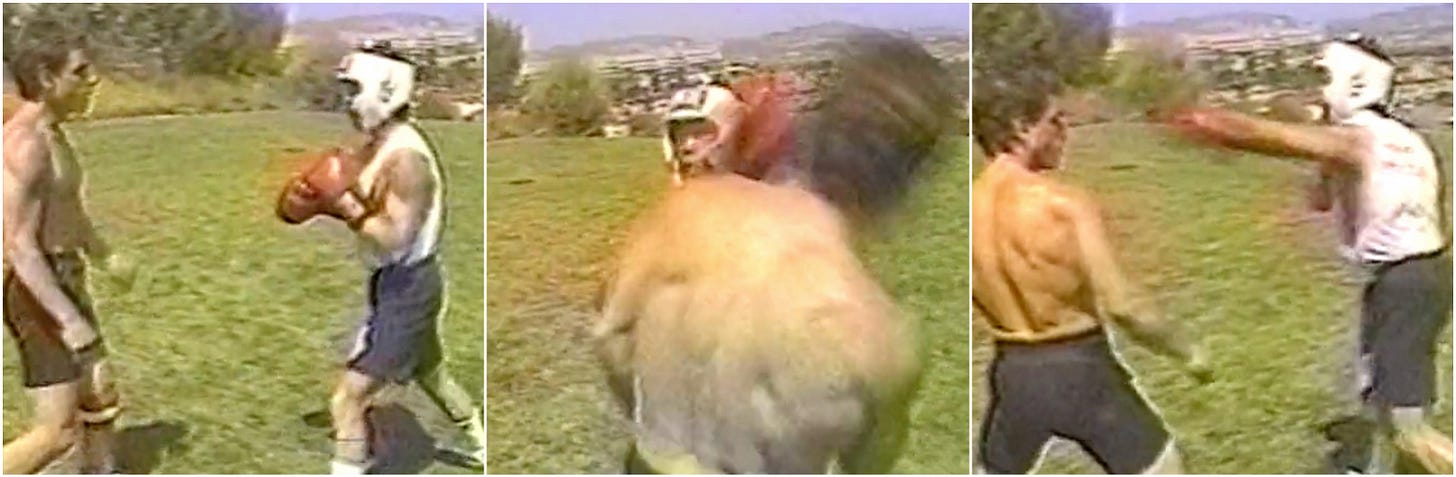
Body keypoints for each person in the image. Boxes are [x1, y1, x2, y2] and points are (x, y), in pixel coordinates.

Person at [1165, 32, 1452, 474]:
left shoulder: (1358, 140)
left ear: (1354, 83)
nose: (1319, 91)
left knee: (1407, 427)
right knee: (1384, 400)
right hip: (1422, 277)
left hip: (1403, 285)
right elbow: (1322, 199)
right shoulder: (1407, 140)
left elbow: (1259, 134)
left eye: (1324, 79)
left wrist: (1202, 120)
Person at [972, 4, 1211, 474]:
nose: (1066, 132)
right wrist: (1188, 352)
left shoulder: (971, 208)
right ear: (1021, 127)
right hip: (1081, 370)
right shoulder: (1064, 204)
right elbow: (1125, 305)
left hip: (1013, 374)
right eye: (1055, 120)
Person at [277, 41, 485, 474]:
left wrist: (343, 204)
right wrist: (311, 200)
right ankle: (482, 444)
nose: (348, 103)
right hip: (393, 284)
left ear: (385, 89)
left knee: (348, 398)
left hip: (409, 287)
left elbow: (394, 237)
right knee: (432, 374)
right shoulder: (377, 145)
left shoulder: (407, 161)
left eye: (354, 90)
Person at [3, 40, 129, 474]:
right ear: (45, 78)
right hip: (35, 287)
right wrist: (69, 319)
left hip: (65, 273)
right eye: (79, 71)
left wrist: (103, 254)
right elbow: (19, 246)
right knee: (55, 434)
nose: (92, 80)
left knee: (100, 395)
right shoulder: (25, 144)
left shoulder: (53, 134)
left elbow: (69, 211)